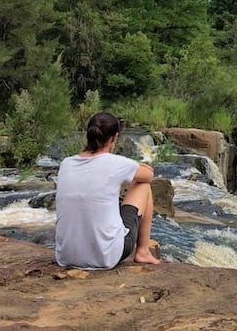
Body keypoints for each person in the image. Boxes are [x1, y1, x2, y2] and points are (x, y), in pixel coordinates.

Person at [55, 112, 161, 269]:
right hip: (106, 256)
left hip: (66, 256)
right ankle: (143, 251)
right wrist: (136, 166)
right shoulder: (117, 163)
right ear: (114, 138)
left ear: (88, 135)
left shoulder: (66, 163)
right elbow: (148, 175)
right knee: (143, 185)